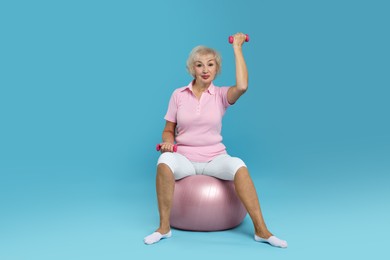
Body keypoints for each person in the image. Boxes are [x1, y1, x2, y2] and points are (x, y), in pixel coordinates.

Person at [144, 33, 287, 248]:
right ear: (192, 69)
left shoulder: (220, 95)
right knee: (164, 162)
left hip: (214, 158)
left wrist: (237, 49)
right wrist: (167, 142)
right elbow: (168, 129)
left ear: (216, 69)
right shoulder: (178, 95)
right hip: (184, 157)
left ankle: (261, 230)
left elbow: (242, 86)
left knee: (239, 165)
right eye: (199, 65)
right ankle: (164, 228)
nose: (205, 69)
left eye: (210, 65)